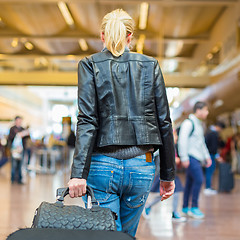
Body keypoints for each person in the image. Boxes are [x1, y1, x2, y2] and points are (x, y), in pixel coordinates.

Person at [68, 9, 175, 237]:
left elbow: (87, 120)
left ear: (102, 36)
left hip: (101, 165)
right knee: (127, 234)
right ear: (130, 37)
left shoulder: (89, 64)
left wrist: (78, 173)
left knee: (107, 234)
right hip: (142, 165)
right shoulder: (150, 65)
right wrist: (168, 174)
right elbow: (164, 121)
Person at [142, 129, 186, 222]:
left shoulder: (173, 147)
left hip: (172, 174)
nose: (176, 137)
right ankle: (148, 206)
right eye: (175, 135)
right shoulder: (164, 147)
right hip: (165, 174)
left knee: (174, 192)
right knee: (162, 194)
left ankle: (174, 212)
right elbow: (162, 160)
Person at [178, 101, 211, 219]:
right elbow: (182, 141)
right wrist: (184, 157)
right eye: (206, 110)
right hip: (191, 157)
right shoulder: (188, 123)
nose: (207, 113)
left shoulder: (198, 124)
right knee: (199, 179)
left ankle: (185, 207)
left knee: (190, 182)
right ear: (198, 110)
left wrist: (207, 156)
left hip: (196, 158)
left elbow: (201, 143)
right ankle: (194, 207)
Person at [204, 121, 225, 195]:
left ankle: (208, 187)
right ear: (219, 127)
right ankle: (208, 188)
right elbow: (213, 147)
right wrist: (217, 156)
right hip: (211, 155)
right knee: (209, 171)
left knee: (209, 171)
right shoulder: (213, 134)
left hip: (208, 154)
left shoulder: (208, 131)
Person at [7, 116, 24, 184]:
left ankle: (19, 179)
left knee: (20, 165)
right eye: (18, 120)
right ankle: (13, 179)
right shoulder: (12, 129)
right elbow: (9, 139)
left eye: (20, 121)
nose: (19, 122)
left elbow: (26, 139)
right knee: (13, 165)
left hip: (21, 150)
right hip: (14, 150)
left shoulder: (23, 129)